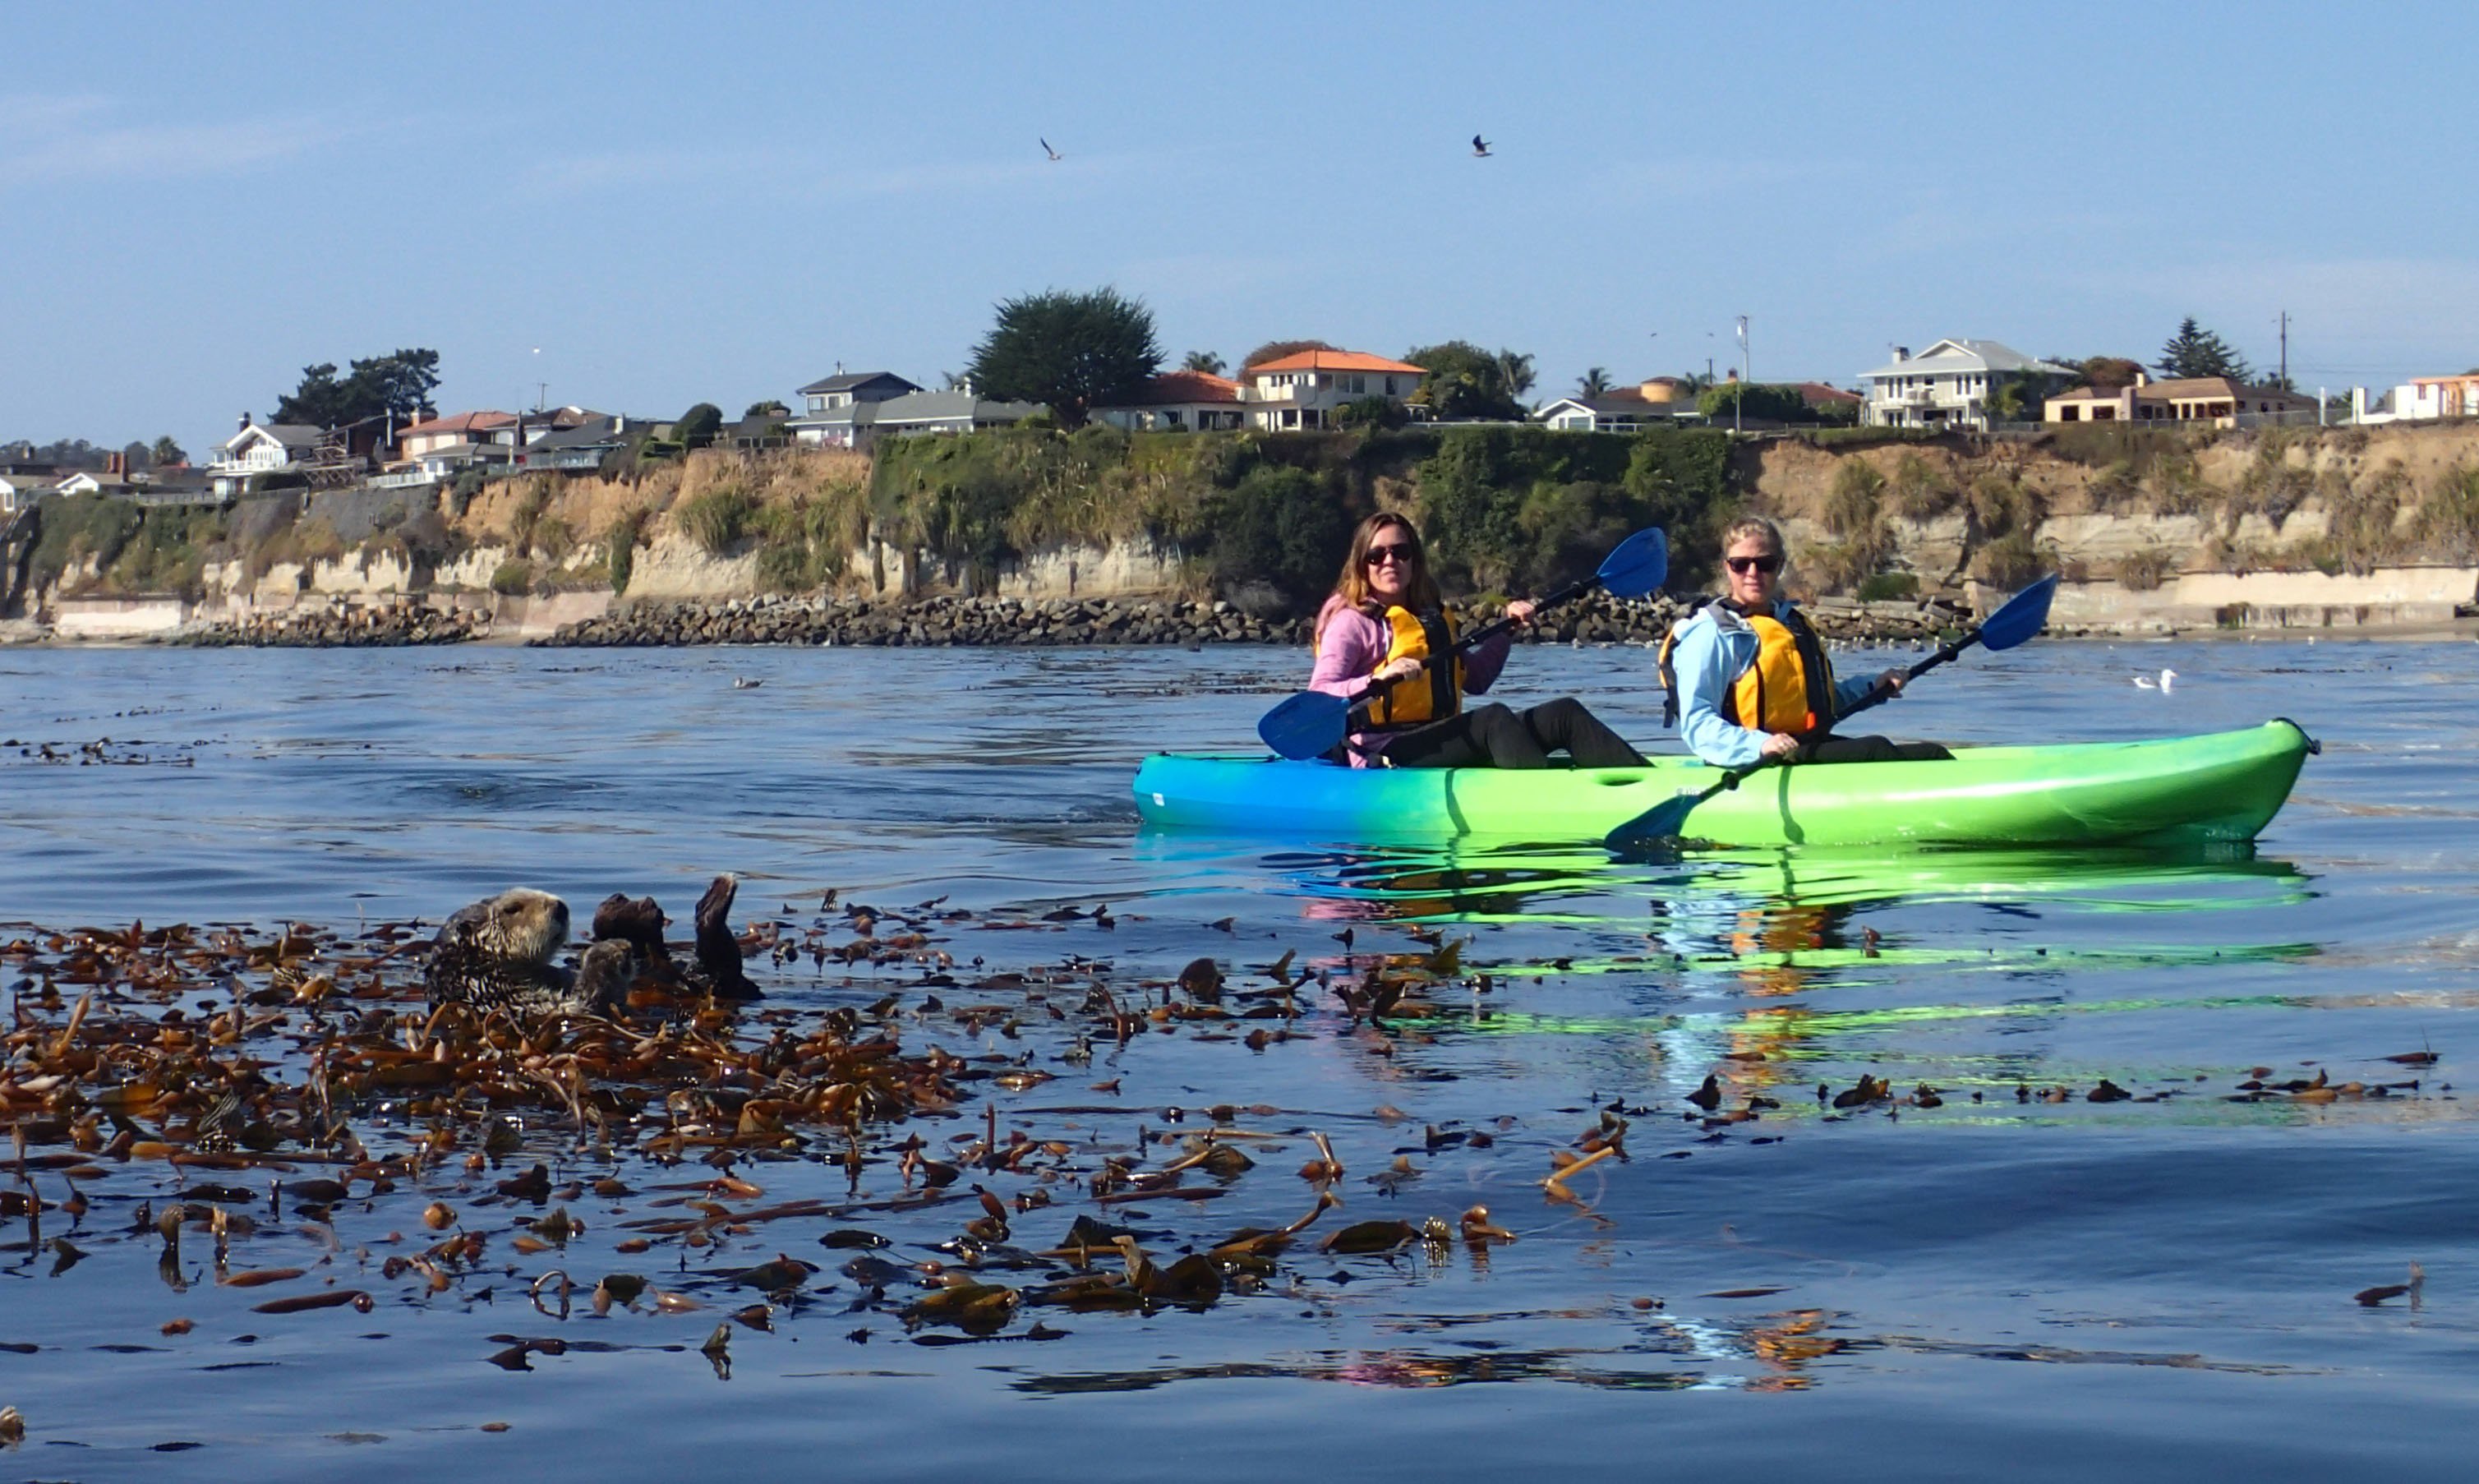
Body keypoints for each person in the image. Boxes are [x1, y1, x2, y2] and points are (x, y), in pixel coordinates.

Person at [1309, 512, 1647, 769]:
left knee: (1563, 714)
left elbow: (1477, 680)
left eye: (1400, 552)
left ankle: (1648, 784)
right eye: (1376, 555)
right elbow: (1319, 694)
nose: (1389, 562)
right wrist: (1379, 678)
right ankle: (1549, 804)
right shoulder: (1352, 622)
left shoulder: (1430, 617)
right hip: (1384, 749)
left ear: (1414, 559)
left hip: (1440, 736)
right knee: (1493, 719)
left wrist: (1506, 629)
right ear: (1362, 565)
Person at [1657, 516, 1952, 768]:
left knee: (1932, 754)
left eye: (1765, 564)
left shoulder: (1790, 623)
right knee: (1876, 749)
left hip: (1800, 750)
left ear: (1779, 566)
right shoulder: (1713, 632)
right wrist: (1761, 745)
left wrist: (1872, 687)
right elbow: (1698, 723)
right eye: (1741, 564)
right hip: (1751, 760)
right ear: (1727, 567)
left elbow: (1815, 701)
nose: (1753, 573)